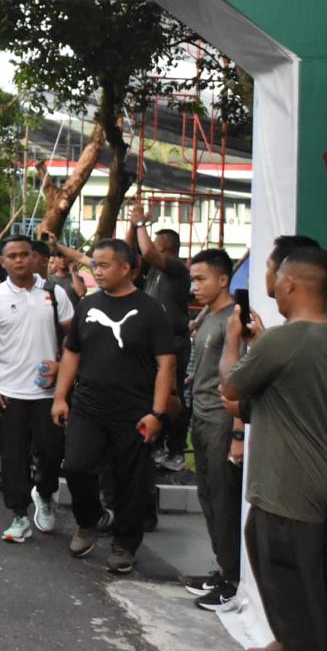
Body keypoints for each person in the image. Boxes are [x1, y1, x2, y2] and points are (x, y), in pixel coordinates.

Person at [220, 245, 327, 651]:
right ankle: (287, 644)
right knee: (306, 591)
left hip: (288, 488)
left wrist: (233, 342)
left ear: (290, 284)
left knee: (294, 591)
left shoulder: (286, 338)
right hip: (316, 483)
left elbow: (230, 387)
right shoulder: (326, 335)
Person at [53, 238, 176, 575]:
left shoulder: (151, 310)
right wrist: (61, 397)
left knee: (130, 482)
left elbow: (166, 365)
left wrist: (157, 414)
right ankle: (89, 522)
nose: (97, 270)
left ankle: (125, 544)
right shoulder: (88, 304)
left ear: (126, 267)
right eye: (95, 264)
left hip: (135, 412)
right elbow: (72, 353)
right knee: (77, 467)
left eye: (104, 265)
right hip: (88, 406)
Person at [0, 236, 74, 544]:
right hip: (9, 391)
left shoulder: (54, 293)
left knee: (51, 453)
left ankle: (43, 494)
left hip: (49, 393)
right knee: (13, 457)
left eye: (24, 255)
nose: (19, 260)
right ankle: (19, 515)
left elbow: (72, 338)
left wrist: (60, 365)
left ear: (34, 258)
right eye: (12, 256)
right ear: (3, 261)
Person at [177, 248, 243, 612]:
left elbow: (241, 382)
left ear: (223, 279)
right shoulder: (209, 317)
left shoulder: (235, 319)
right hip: (200, 418)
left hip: (221, 421)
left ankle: (232, 580)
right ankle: (222, 569)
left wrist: (237, 433)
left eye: (201, 278)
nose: (194, 285)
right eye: (192, 278)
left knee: (223, 500)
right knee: (208, 497)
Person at [129, 203, 193, 474]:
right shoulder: (153, 271)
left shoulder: (176, 269)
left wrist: (142, 224)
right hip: (153, 344)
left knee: (173, 397)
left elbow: (146, 252)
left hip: (174, 342)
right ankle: (156, 444)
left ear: (165, 246)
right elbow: (131, 252)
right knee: (154, 395)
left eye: (156, 242)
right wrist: (133, 226)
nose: (151, 246)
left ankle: (176, 449)